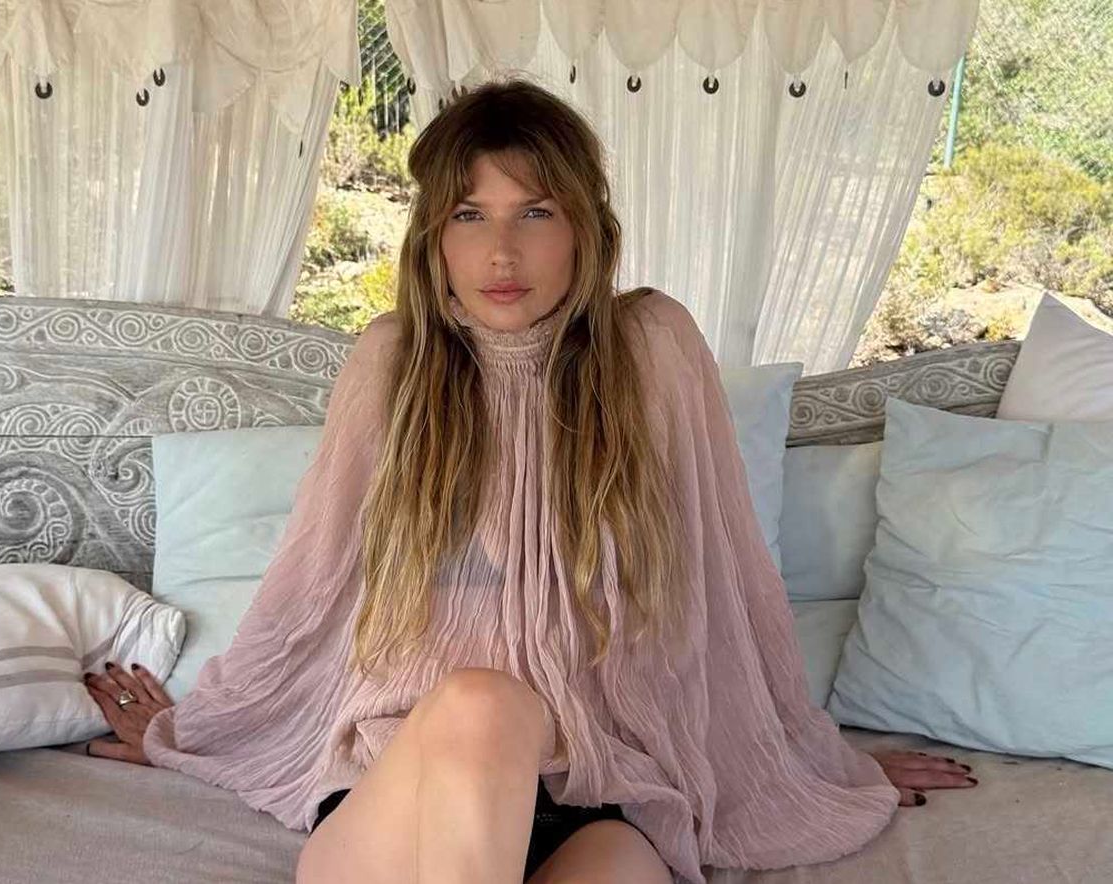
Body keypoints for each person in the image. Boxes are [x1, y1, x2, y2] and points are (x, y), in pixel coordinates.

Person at [81, 78, 979, 884]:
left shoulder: (652, 347)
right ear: (434, 238)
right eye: (469, 215)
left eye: (536, 212)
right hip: (411, 782)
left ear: (587, 227)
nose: (502, 252)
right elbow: (311, 585)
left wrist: (812, 760)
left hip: (602, 788)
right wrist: (192, 729)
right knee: (484, 702)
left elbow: (724, 580)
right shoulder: (395, 360)